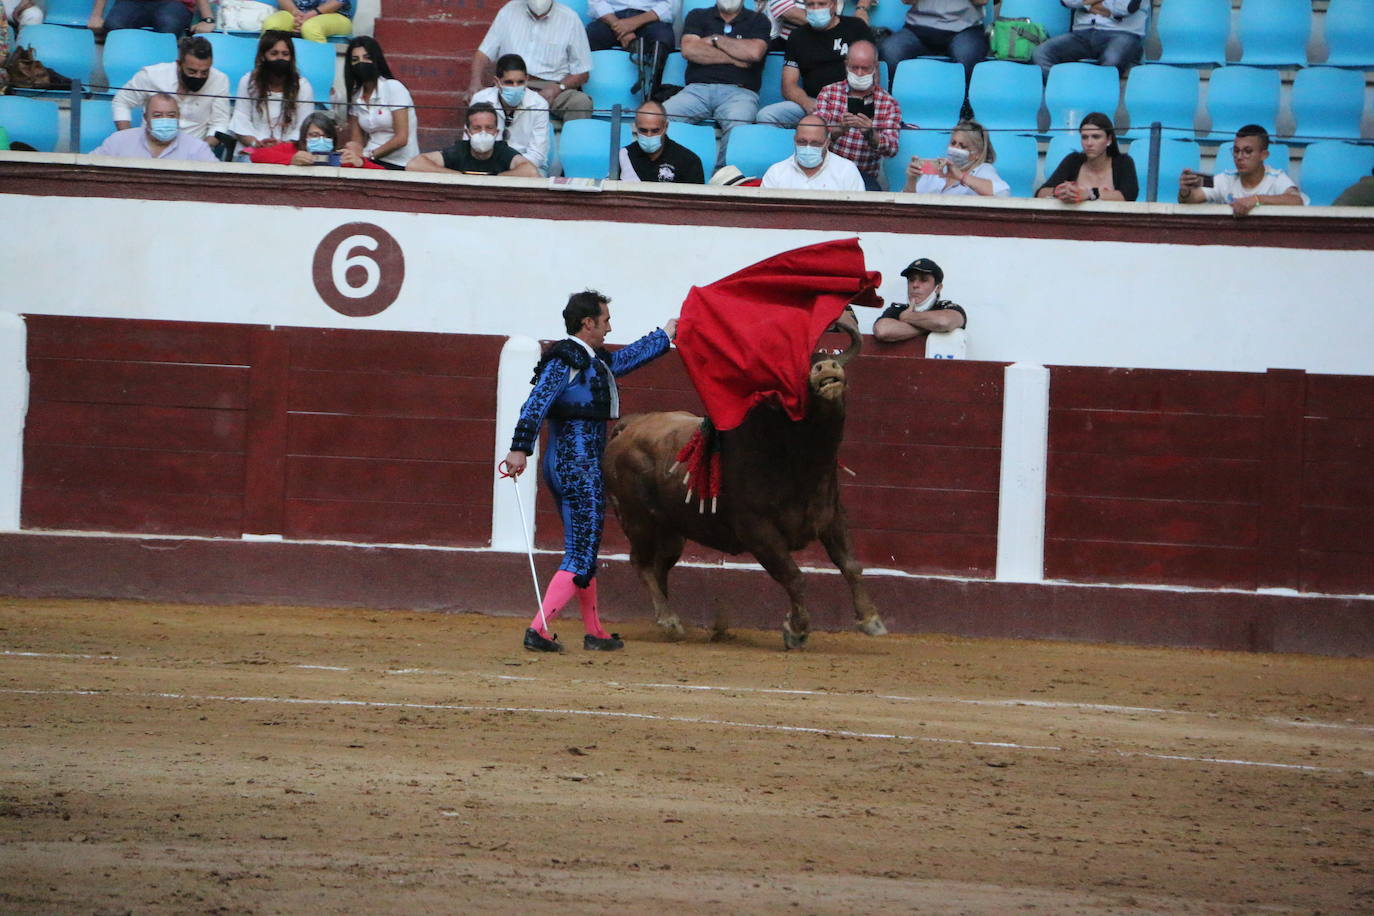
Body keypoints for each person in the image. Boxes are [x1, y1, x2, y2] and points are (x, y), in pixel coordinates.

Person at [501, 291, 678, 652]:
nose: (609, 327)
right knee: (580, 553)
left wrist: (665, 335)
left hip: (566, 462)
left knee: (582, 548)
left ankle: (594, 631)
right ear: (588, 323)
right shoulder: (565, 360)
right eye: (606, 320)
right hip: (578, 466)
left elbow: (622, 361)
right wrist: (519, 448)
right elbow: (535, 403)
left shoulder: (586, 359)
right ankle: (539, 629)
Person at [662, 0, 770, 169]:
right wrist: (736, 58)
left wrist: (715, 39)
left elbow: (754, 52)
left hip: (739, 92)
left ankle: (723, 178)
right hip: (696, 90)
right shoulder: (697, 15)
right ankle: (666, 172)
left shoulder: (758, 20)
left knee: (739, 123)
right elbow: (689, 50)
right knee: (658, 117)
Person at [470, 0, 592, 123]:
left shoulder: (570, 19)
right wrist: (475, 82)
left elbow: (582, 72)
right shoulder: (508, 11)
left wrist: (558, 88)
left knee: (580, 103)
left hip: (550, 87)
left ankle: (571, 142)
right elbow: (484, 53)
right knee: (480, 99)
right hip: (511, 83)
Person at [757, 0, 873, 128]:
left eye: (822, 4)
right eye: (810, 5)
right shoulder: (797, 36)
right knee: (766, 116)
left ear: (834, 5)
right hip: (813, 103)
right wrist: (807, 103)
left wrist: (851, 105)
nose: (816, 9)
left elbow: (872, 72)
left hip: (850, 103)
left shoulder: (856, 27)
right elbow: (788, 85)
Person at [112, 36, 230, 153]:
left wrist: (203, 148)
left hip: (192, 154)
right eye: (192, 71)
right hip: (148, 149)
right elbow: (122, 101)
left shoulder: (219, 80)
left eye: (205, 72)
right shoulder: (152, 75)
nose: (198, 77)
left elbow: (219, 123)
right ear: (179, 64)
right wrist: (128, 141)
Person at [812, 39, 901, 191]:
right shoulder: (829, 93)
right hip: (828, 170)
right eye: (854, 68)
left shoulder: (888, 103)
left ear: (875, 67)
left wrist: (870, 134)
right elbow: (815, 138)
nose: (859, 73)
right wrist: (840, 129)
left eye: (865, 68)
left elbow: (892, 149)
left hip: (863, 174)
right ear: (846, 65)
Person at [1177, 124, 1304, 216]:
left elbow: (1296, 200)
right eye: (1236, 151)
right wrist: (1185, 191)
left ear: (1264, 155)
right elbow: (1192, 198)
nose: (1239, 157)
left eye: (1247, 152)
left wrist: (1256, 200)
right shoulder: (1225, 178)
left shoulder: (1277, 176)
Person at [229, 30, 317, 156]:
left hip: (288, 151)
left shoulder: (303, 87)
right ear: (263, 56)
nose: (280, 58)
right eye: (274, 53)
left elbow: (304, 127)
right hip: (252, 149)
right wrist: (257, 143)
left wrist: (281, 147)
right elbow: (240, 121)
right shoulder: (248, 82)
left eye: (285, 54)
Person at [406, 102, 540, 177]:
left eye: (489, 128)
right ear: (468, 132)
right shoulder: (460, 151)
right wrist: (458, 176)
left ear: (496, 132)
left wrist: (494, 179)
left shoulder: (503, 151)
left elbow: (531, 171)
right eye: (477, 128)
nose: (483, 133)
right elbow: (415, 164)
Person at [344, 36, 418, 171]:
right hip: (370, 160)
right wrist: (353, 152)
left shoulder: (393, 87)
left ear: (376, 59)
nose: (361, 63)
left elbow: (401, 138)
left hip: (400, 162)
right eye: (355, 60)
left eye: (367, 57)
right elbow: (357, 141)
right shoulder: (356, 97)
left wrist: (369, 155)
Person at [469, 53, 550, 175]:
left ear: (527, 80)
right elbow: (470, 142)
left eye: (520, 82)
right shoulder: (480, 99)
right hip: (486, 165)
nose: (515, 87)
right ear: (497, 82)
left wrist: (505, 168)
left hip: (528, 166)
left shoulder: (539, 104)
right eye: (509, 82)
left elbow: (537, 155)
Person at [880, 0, 988, 87]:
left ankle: (966, 106)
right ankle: (892, 104)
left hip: (965, 27)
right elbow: (907, 1)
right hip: (918, 27)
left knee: (968, 56)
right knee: (890, 52)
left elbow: (981, 1)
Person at [1036, 111, 1138, 203]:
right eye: (1084, 137)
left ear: (1109, 140)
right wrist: (1059, 191)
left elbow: (1128, 196)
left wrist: (1090, 194)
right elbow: (1040, 193)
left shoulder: (1123, 162)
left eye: (1096, 137)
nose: (1089, 143)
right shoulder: (1073, 161)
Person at [1032, 0, 1151, 77]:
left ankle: (1095, 98)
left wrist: (1085, 4)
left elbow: (1124, 8)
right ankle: (1067, 91)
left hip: (1122, 34)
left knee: (1112, 61)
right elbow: (1068, 1)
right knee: (1041, 53)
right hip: (1081, 34)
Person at [92, 92, 218, 162]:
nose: (165, 120)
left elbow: (217, 179)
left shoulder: (197, 148)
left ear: (178, 117)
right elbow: (88, 166)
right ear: (146, 118)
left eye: (171, 115)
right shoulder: (119, 141)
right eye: (157, 115)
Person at [586, 0, 675, 94]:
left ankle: (653, 96)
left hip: (650, 17)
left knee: (662, 39)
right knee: (591, 35)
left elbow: (670, 6)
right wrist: (620, 28)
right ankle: (594, 93)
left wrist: (632, 23)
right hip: (611, 17)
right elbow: (596, 3)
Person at [902, 119, 1009, 196]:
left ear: (977, 153)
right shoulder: (935, 167)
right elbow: (907, 205)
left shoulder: (982, 169)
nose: (955, 149)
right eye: (953, 143)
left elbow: (1002, 193)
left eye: (962, 146)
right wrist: (911, 179)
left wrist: (961, 176)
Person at [761, 112, 865, 191]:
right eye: (802, 142)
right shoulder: (776, 173)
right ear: (794, 140)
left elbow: (858, 215)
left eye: (815, 143)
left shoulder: (846, 171)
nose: (808, 147)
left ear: (827, 143)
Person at [872, 258, 967, 343]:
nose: (915, 285)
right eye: (911, 280)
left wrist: (907, 317)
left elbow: (943, 322)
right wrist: (932, 327)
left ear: (938, 288)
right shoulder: (898, 310)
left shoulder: (948, 308)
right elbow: (883, 330)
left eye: (923, 280)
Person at [249, 110, 383, 168]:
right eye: (314, 135)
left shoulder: (340, 157)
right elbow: (257, 155)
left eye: (326, 136)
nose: (321, 139)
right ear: (304, 137)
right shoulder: (292, 149)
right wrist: (291, 160)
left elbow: (382, 173)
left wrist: (360, 163)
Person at [618, 100, 704, 183]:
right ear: (636, 127)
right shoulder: (624, 156)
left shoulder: (689, 162)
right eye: (643, 130)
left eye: (655, 131)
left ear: (665, 126)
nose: (649, 135)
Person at [88, 0, 216, 36]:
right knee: (114, 24)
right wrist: (96, 15)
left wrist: (207, 19)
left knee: (169, 24)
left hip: (174, 3)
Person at [261, 0, 352, 43]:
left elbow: (338, 2)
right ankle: (263, 69)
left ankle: (317, 72)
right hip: (296, 12)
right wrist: (296, 13)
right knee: (271, 24)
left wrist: (309, 15)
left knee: (311, 28)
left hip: (335, 14)